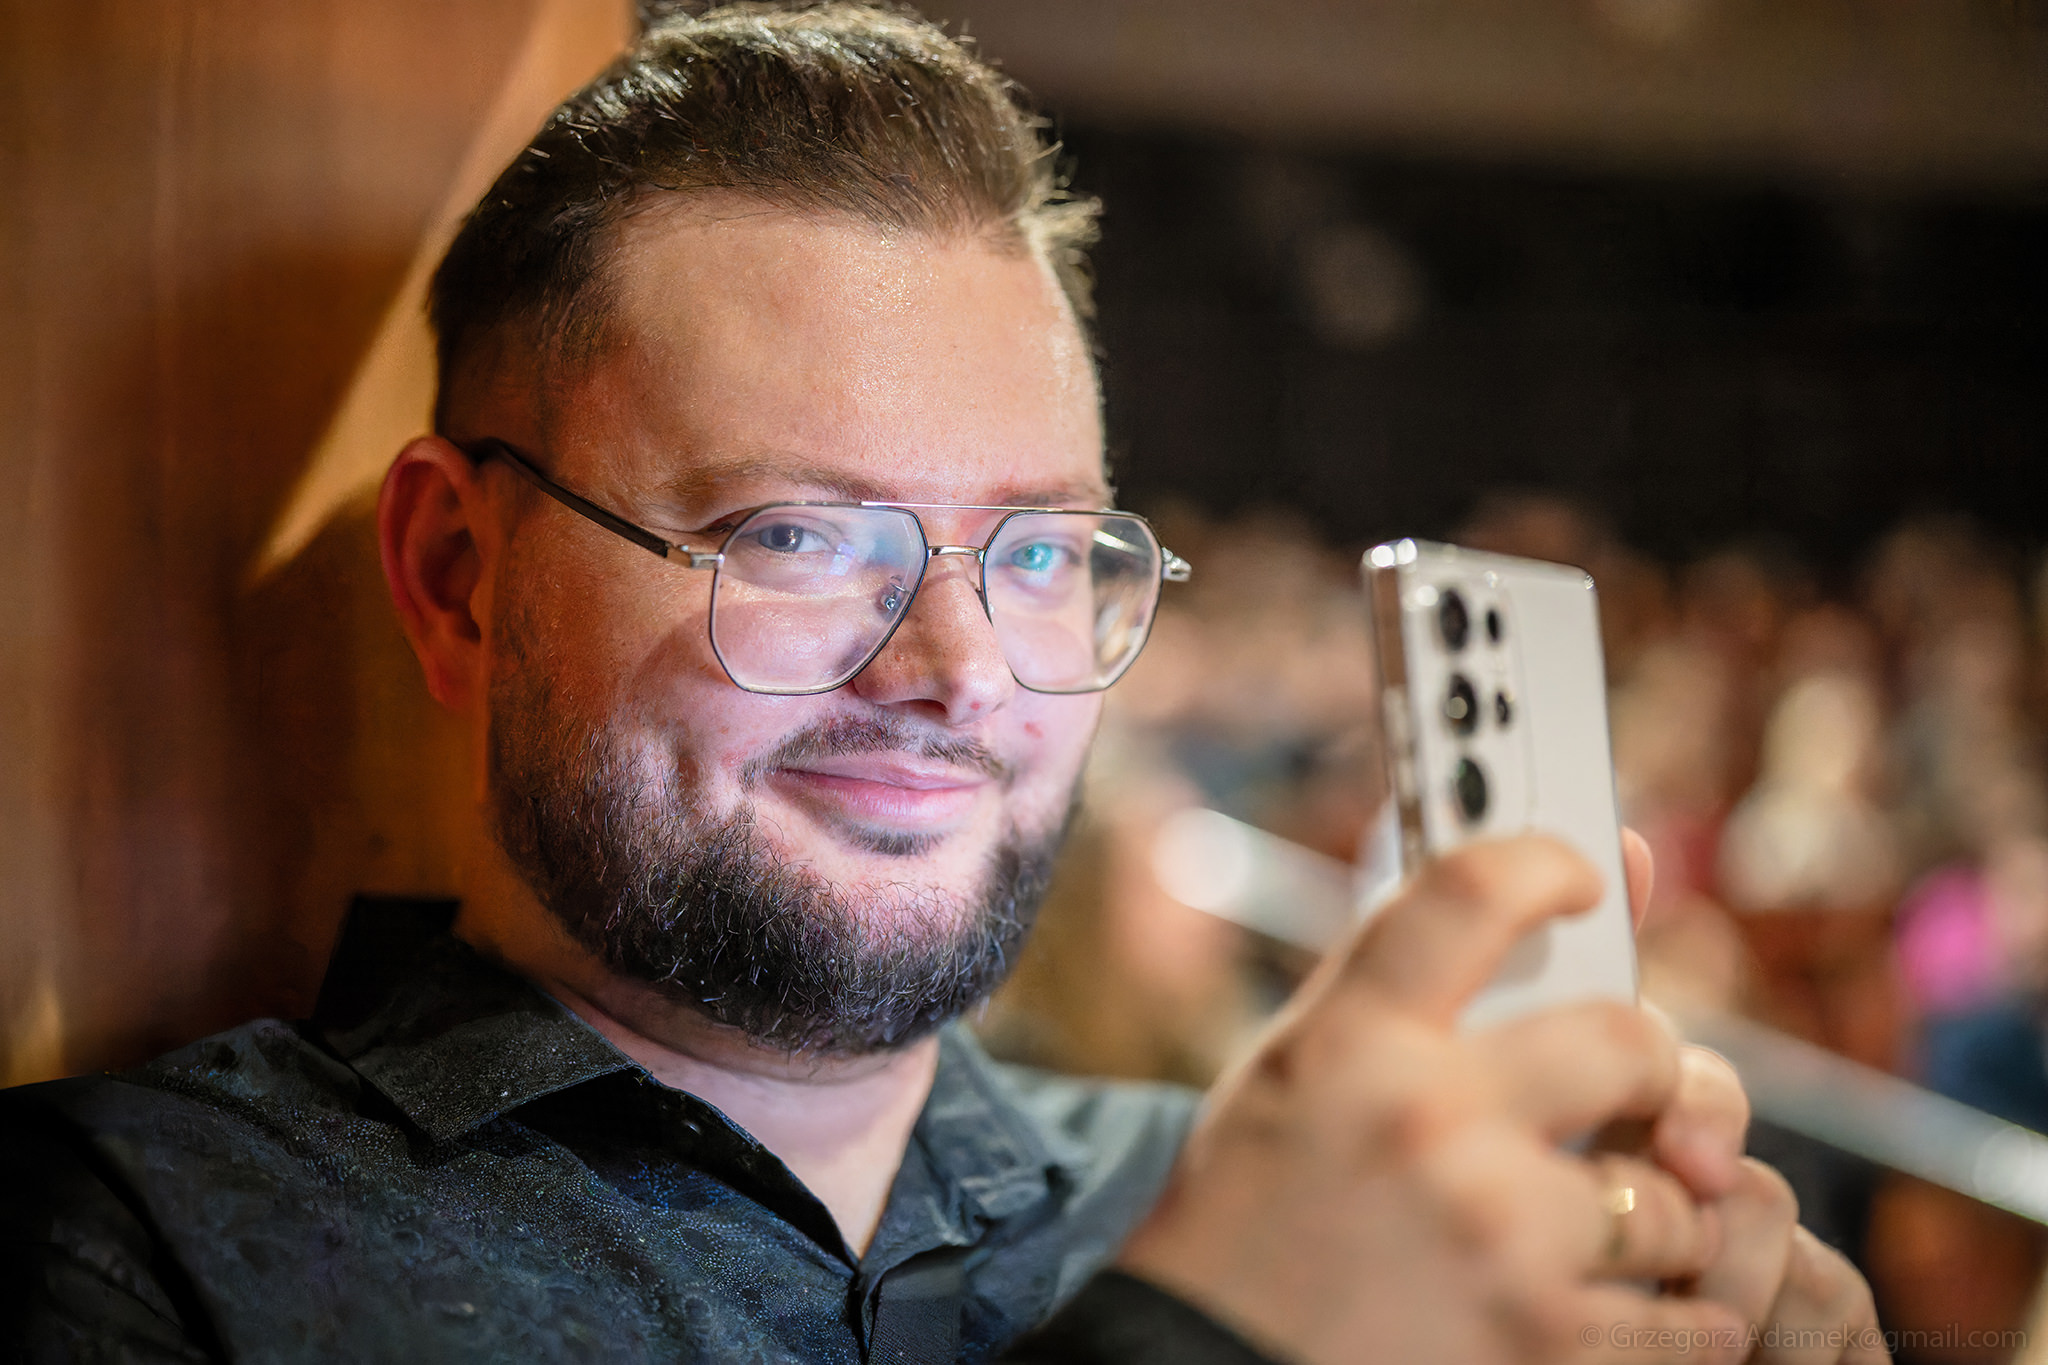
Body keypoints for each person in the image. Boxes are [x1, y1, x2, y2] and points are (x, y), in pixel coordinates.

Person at [0, 5, 1884, 1362]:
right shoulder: (142, 1246)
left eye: (1041, 553)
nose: (959, 672)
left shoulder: (1258, 1196)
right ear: (455, 574)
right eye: (798, 536)